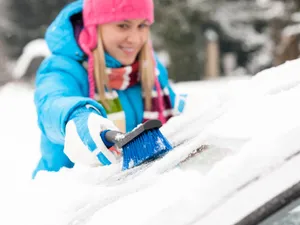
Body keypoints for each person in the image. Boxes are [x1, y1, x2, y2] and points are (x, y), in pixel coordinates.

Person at [32, 0, 186, 179]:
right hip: (66, 195)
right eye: (123, 25)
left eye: (142, 25)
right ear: (95, 26)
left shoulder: (150, 66)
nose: (135, 39)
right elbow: (52, 102)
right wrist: (78, 117)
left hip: (131, 191)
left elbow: (175, 108)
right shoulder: (63, 67)